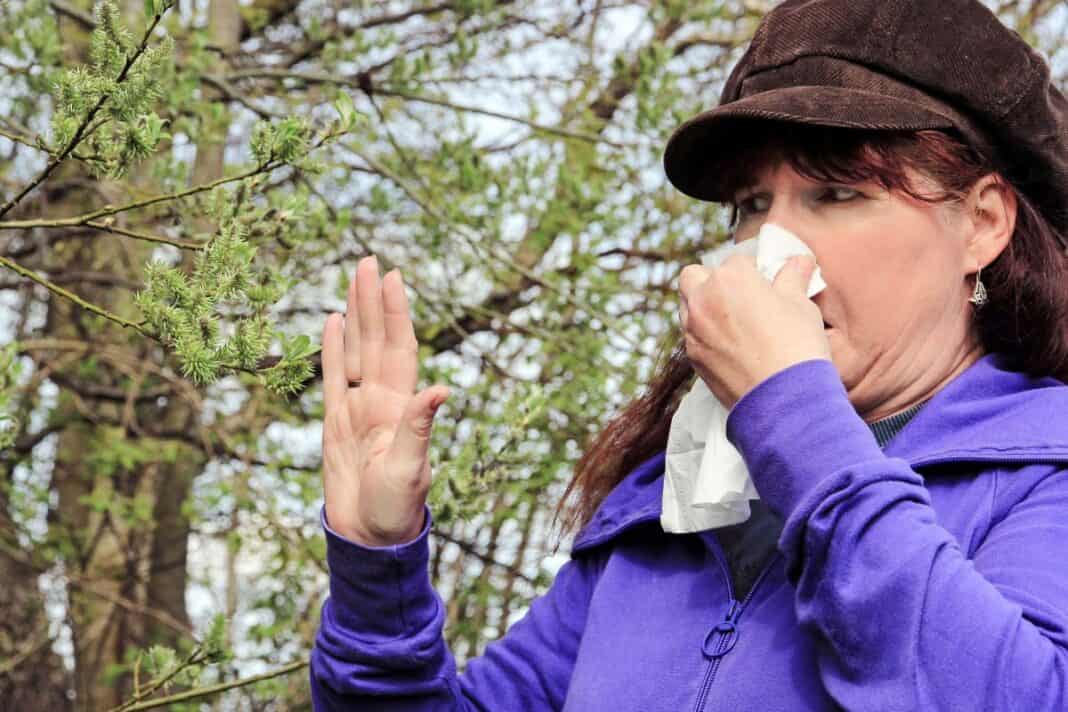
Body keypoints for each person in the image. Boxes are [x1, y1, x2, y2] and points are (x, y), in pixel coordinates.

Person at [310, 0, 1068, 708]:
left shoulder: (1045, 469)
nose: (775, 244)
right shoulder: (665, 507)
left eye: (837, 194)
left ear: (982, 224)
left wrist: (792, 418)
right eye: (752, 205)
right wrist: (379, 571)